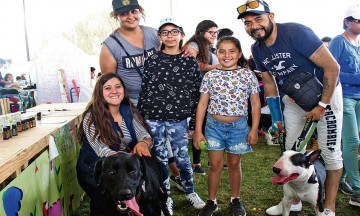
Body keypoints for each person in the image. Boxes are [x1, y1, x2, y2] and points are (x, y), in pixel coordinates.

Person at [237, 1, 343, 215]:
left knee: (330, 153)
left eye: (258, 19)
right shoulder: (257, 49)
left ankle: (329, 207)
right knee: (291, 150)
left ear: (271, 16)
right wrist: (276, 116)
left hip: (326, 96)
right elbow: (269, 83)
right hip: (294, 99)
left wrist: (322, 105)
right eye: (248, 23)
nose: (254, 26)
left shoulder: (296, 33)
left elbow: (332, 67)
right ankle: (292, 200)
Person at [137, 17, 205, 214]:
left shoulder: (189, 61)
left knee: (182, 158)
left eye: (174, 31)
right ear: (159, 37)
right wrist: (141, 121)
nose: (170, 36)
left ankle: (190, 191)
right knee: (160, 159)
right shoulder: (152, 60)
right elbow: (145, 90)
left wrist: (193, 123)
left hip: (178, 119)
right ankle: (165, 196)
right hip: (153, 118)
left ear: (182, 35)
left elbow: (196, 94)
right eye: (165, 32)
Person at [194, 36, 261, 216]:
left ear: (239, 53)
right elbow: (202, 104)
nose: (227, 55)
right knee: (215, 164)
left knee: (234, 163)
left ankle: (235, 199)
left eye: (232, 51)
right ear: (217, 53)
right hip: (213, 127)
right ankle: (211, 201)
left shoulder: (247, 75)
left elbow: (255, 104)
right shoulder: (210, 75)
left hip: (238, 128)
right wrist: (198, 131)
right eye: (222, 51)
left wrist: (254, 129)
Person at [76, 73, 153, 216]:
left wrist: (143, 143)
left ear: (124, 90)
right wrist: (126, 157)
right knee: (102, 205)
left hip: (122, 166)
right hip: (95, 169)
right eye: (108, 88)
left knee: (129, 199)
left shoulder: (129, 110)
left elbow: (144, 134)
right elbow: (102, 149)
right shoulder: (90, 116)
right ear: (100, 92)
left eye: (118, 87)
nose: (114, 91)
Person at [328, 3, 360, 207]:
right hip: (345, 97)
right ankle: (358, 190)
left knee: (350, 142)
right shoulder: (338, 42)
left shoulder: (357, 42)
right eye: (358, 20)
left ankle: (341, 179)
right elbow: (331, 70)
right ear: (347, 22)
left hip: (358, 98)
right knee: (351, 142)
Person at [99, 0, 160, 106]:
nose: (130, 16)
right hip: (132, 102)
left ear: (140, 11)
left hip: (159, 96)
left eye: (134, 11)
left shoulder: (153, 33)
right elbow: (108, 83)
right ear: (116, 16)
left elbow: (173, 52)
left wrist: (188, 48)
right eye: (124, 13)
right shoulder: (110, 45)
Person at [185, 20, 221, 175]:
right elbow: (196, 64)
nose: (214, 35)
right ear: (201, 32)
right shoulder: (194, 44)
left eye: (216, 32)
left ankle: (199, 161)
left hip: (206, 94)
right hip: (193, 95)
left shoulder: (208, 48)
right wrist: (221, 65)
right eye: (211, 32)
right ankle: (193, 163)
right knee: (194, 128)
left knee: (203, 127)